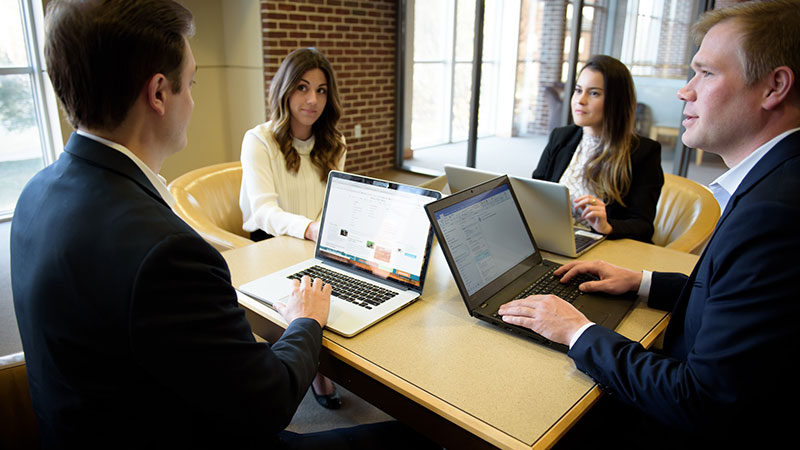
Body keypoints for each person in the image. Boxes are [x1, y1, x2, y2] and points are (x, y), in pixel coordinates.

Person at [10, 1, 436, 448]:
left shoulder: (34, 196)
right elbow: (268, 404)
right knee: (424, 437)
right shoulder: (167, 252)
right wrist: (305, 321)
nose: (193, 100)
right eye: (191, 83)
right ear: (158, 93)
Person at [501, 1, 800, 446]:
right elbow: (730, 300)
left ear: (774, 86)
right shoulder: (774, 181)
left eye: (706, 72)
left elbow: (701, 400)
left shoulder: (774, 213)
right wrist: (641, 281)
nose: (685, 91)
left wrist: (577, 331)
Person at [239, 48, 346, 409]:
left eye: (321, 90)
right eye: (302, 88)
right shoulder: (258, 140)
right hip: (270, 242)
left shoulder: (335, 143)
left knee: (354, 288)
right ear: (284, 90)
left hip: (313, 238)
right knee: (319, 290)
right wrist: (313, 229)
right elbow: (265, 211)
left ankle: (321, 360)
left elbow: (332, 203)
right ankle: (316, 370)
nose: (312, 100)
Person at [532, 55, 663, 242]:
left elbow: (643, 226)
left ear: (616, 101)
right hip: (555, 240)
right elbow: (535, 190)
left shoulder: (643, 152)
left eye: (594, 93)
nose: (580, 100)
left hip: (602, 249)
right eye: (578, 90)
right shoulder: (561, 137)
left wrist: (607, 226)